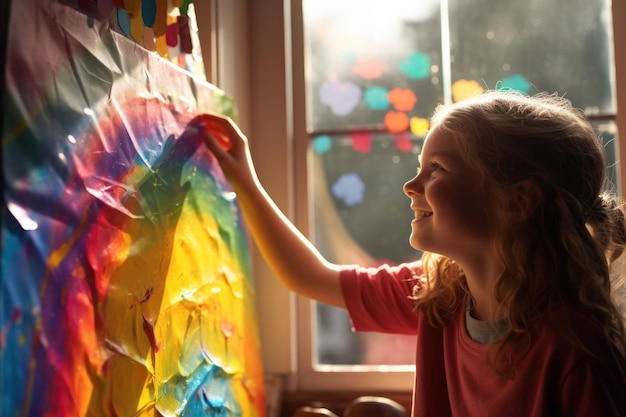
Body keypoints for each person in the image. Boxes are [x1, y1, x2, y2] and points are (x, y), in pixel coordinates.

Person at [196, 90, 626, 416]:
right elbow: (309, 277)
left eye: (437, 168)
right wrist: (245, 181)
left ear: (517, 200)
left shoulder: (577, 349)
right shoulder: (439, 295)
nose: (411, 185)